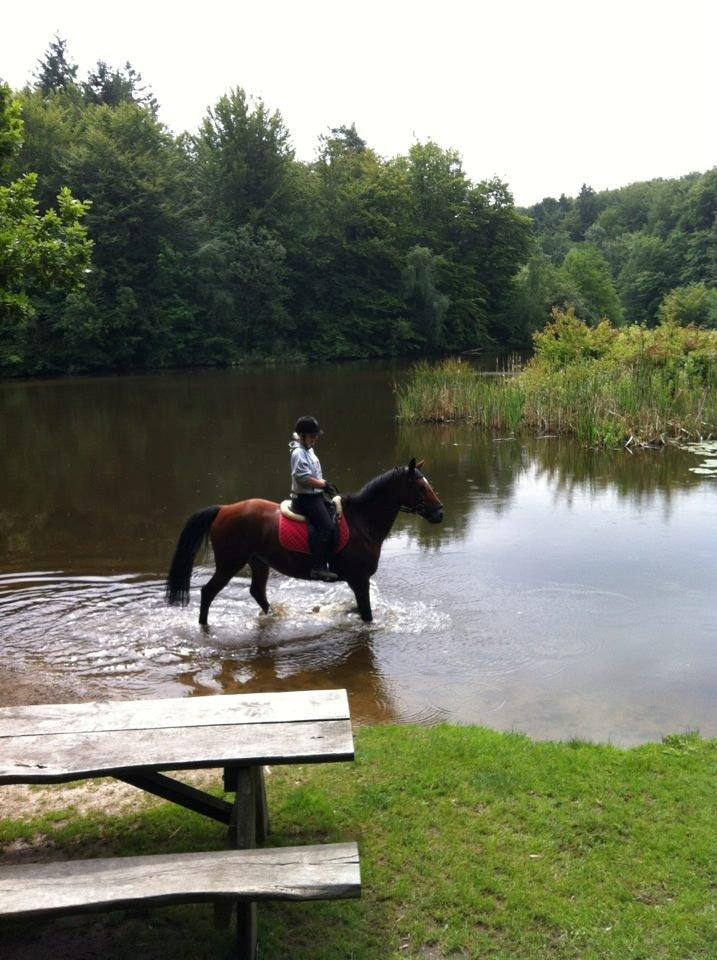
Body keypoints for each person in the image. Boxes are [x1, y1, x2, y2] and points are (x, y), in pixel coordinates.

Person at [289, 416, 339, 582]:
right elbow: (303, 478)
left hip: (315, 495)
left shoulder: (309, 449)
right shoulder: (298, 453)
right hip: (305, 500)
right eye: (312, 435)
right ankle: (317, 568)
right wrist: (323, 485)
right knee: (327, 527)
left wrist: (324, 486)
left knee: (337, 515)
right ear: (302, 436)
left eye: (316, 435)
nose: (315, 438)